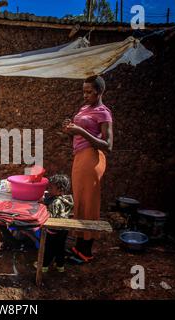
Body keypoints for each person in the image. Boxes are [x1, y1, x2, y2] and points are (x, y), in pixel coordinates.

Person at [62, 75, 113, 263]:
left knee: (89, 203)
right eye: (84, 91)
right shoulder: (84, 108)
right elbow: (78, 136)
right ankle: (78, 247)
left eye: (89, 92)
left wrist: (81, 131)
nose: (85, 95)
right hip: (80, 157)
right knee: (80, 202)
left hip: (92, 159)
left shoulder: (104, 112)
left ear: (99, 92)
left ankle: (86, 252)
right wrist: (70, 130)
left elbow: (108, 145)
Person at [35, 174, 74, 273]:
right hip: (64, 228)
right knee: (60, 247)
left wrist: (42, 207)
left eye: (51, 187)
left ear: (60, 190)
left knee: (48, 247)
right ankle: (60, 266)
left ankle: (44, 266)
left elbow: (50, 217)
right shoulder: (66, 198)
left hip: (53, 229)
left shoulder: (55, 202)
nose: (49, 189)